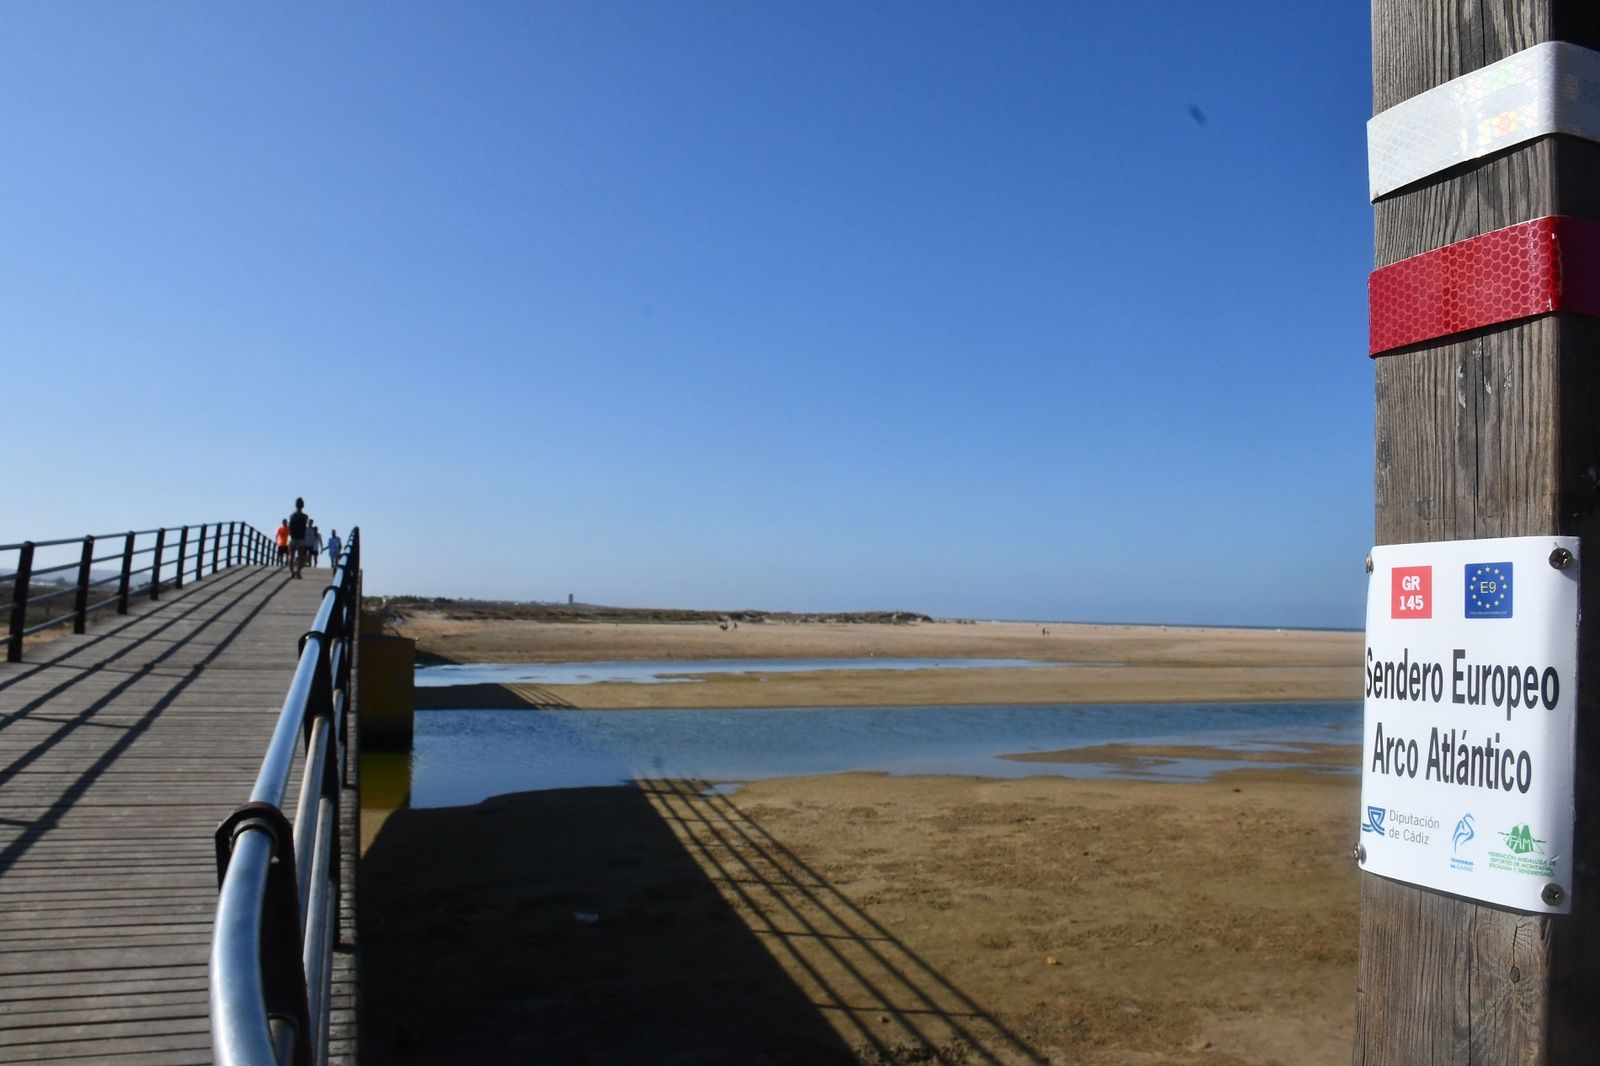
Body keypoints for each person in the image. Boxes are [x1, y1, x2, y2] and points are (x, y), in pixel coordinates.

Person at [287, 498, 313, 579]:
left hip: (293, 537)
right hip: (301, 538)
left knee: (291, 556)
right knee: (302, 557)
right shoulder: (305, 516)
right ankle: (298, 572)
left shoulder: (292, 515)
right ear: (303, 505)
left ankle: (291, 573)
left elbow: (289, 526)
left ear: (296, 505)